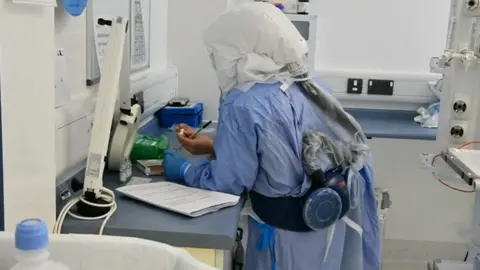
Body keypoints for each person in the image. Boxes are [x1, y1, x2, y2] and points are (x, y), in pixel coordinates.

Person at [163, 2, 380, 270]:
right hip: (327, 229)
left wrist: (185, 171)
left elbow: (228, 182)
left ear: (241, 52)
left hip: (284, 235)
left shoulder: (243, 103)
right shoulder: (309, 85)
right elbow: (284, 155)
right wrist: (215, 145)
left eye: (218, 52)